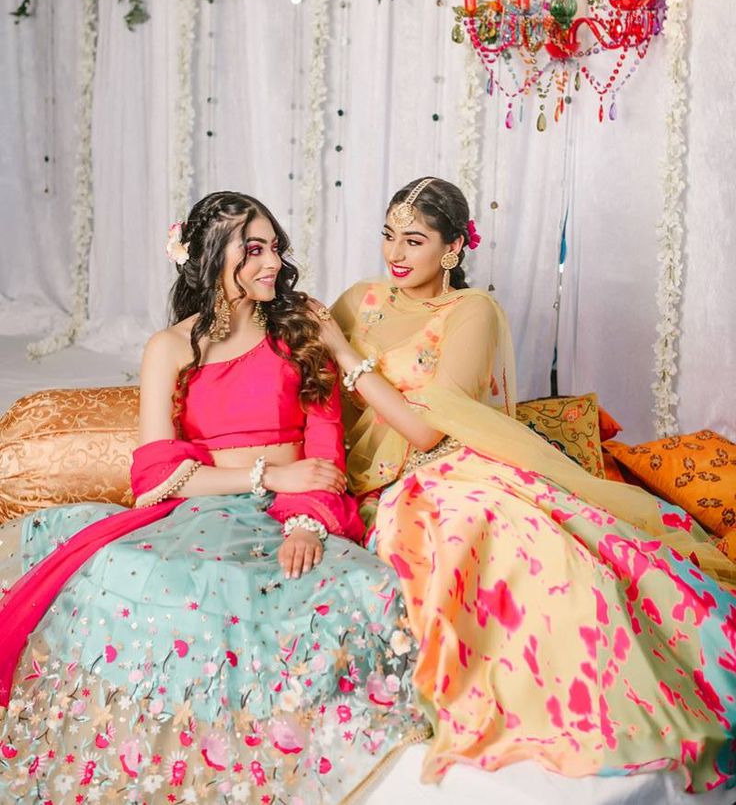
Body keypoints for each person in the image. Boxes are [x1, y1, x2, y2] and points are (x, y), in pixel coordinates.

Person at [0, 192, 426, 804]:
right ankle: (196, 767)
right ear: (207, 257)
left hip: (299, 510)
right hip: (202, 510)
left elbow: (325, 443)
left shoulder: (300, 329)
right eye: (253, 250)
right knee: (185, 588)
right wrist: (268, 477)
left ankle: (304, 754)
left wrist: (307, 519)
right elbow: (154, 480)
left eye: (274, 247)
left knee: (368, 590)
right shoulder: (170, 348)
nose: (272, 263)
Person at [315, 175, 736, 793]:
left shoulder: (471, 311)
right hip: (376, 479)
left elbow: (435, 424)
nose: (395, 254)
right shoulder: (357, 302)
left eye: (414, 240)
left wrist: (344, 354)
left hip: (453, 465)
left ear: (452, 249)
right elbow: (320, 396)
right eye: (387, 237)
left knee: (541, 542)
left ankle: (603, 693)